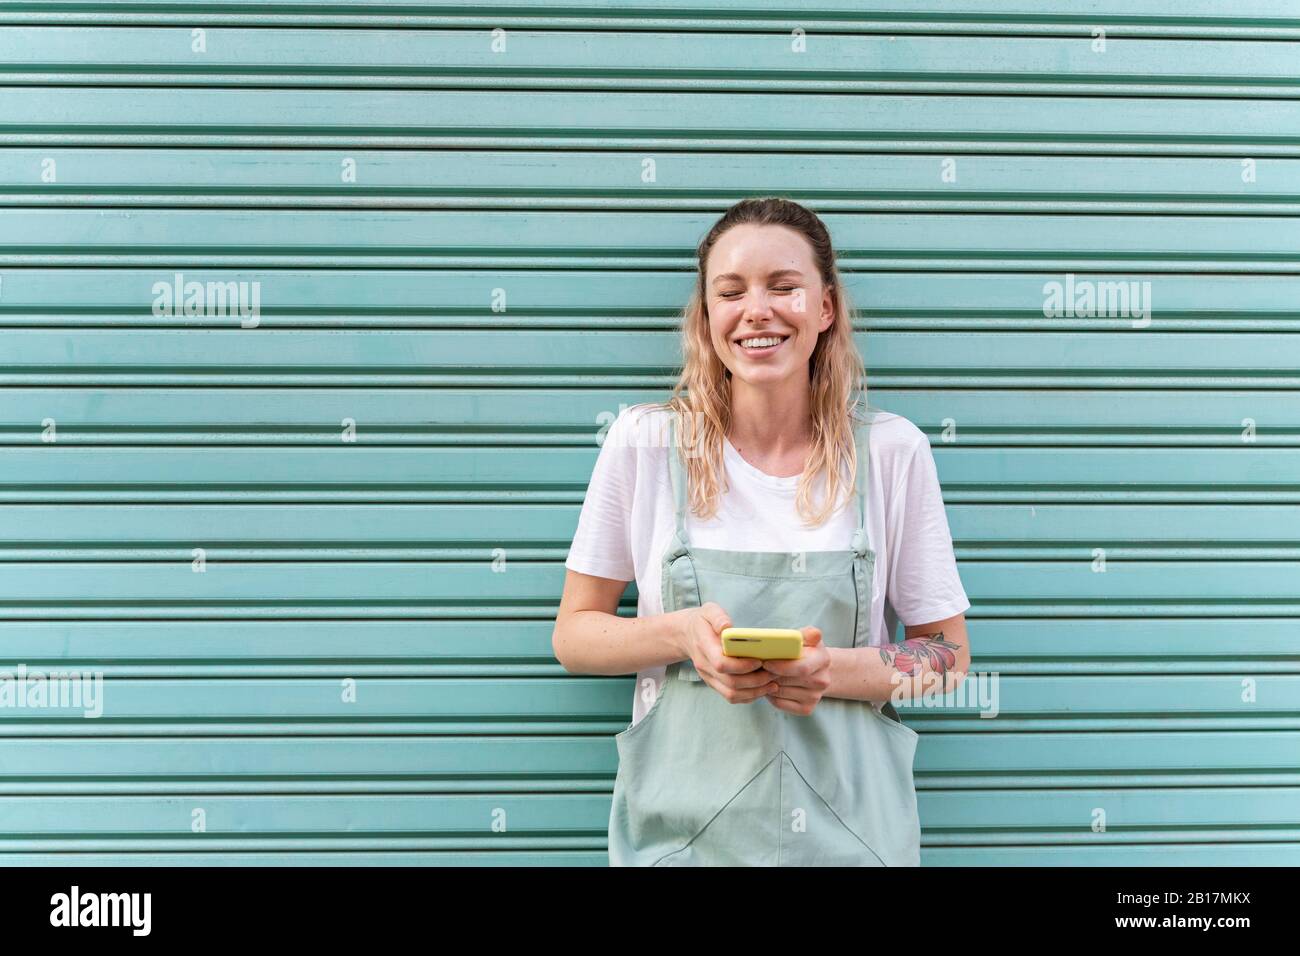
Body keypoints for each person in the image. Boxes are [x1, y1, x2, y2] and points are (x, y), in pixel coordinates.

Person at [552, 196, 972, 866]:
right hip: (679, 843)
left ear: (826, 309)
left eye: (784, 287)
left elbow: (947, 658)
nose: (758, 310)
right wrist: (681, 635)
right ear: (707, 315)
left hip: (856, 841)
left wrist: (829, 670)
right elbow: (573, 635)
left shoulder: (893, 453)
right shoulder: (645, 442)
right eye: (731, 291)